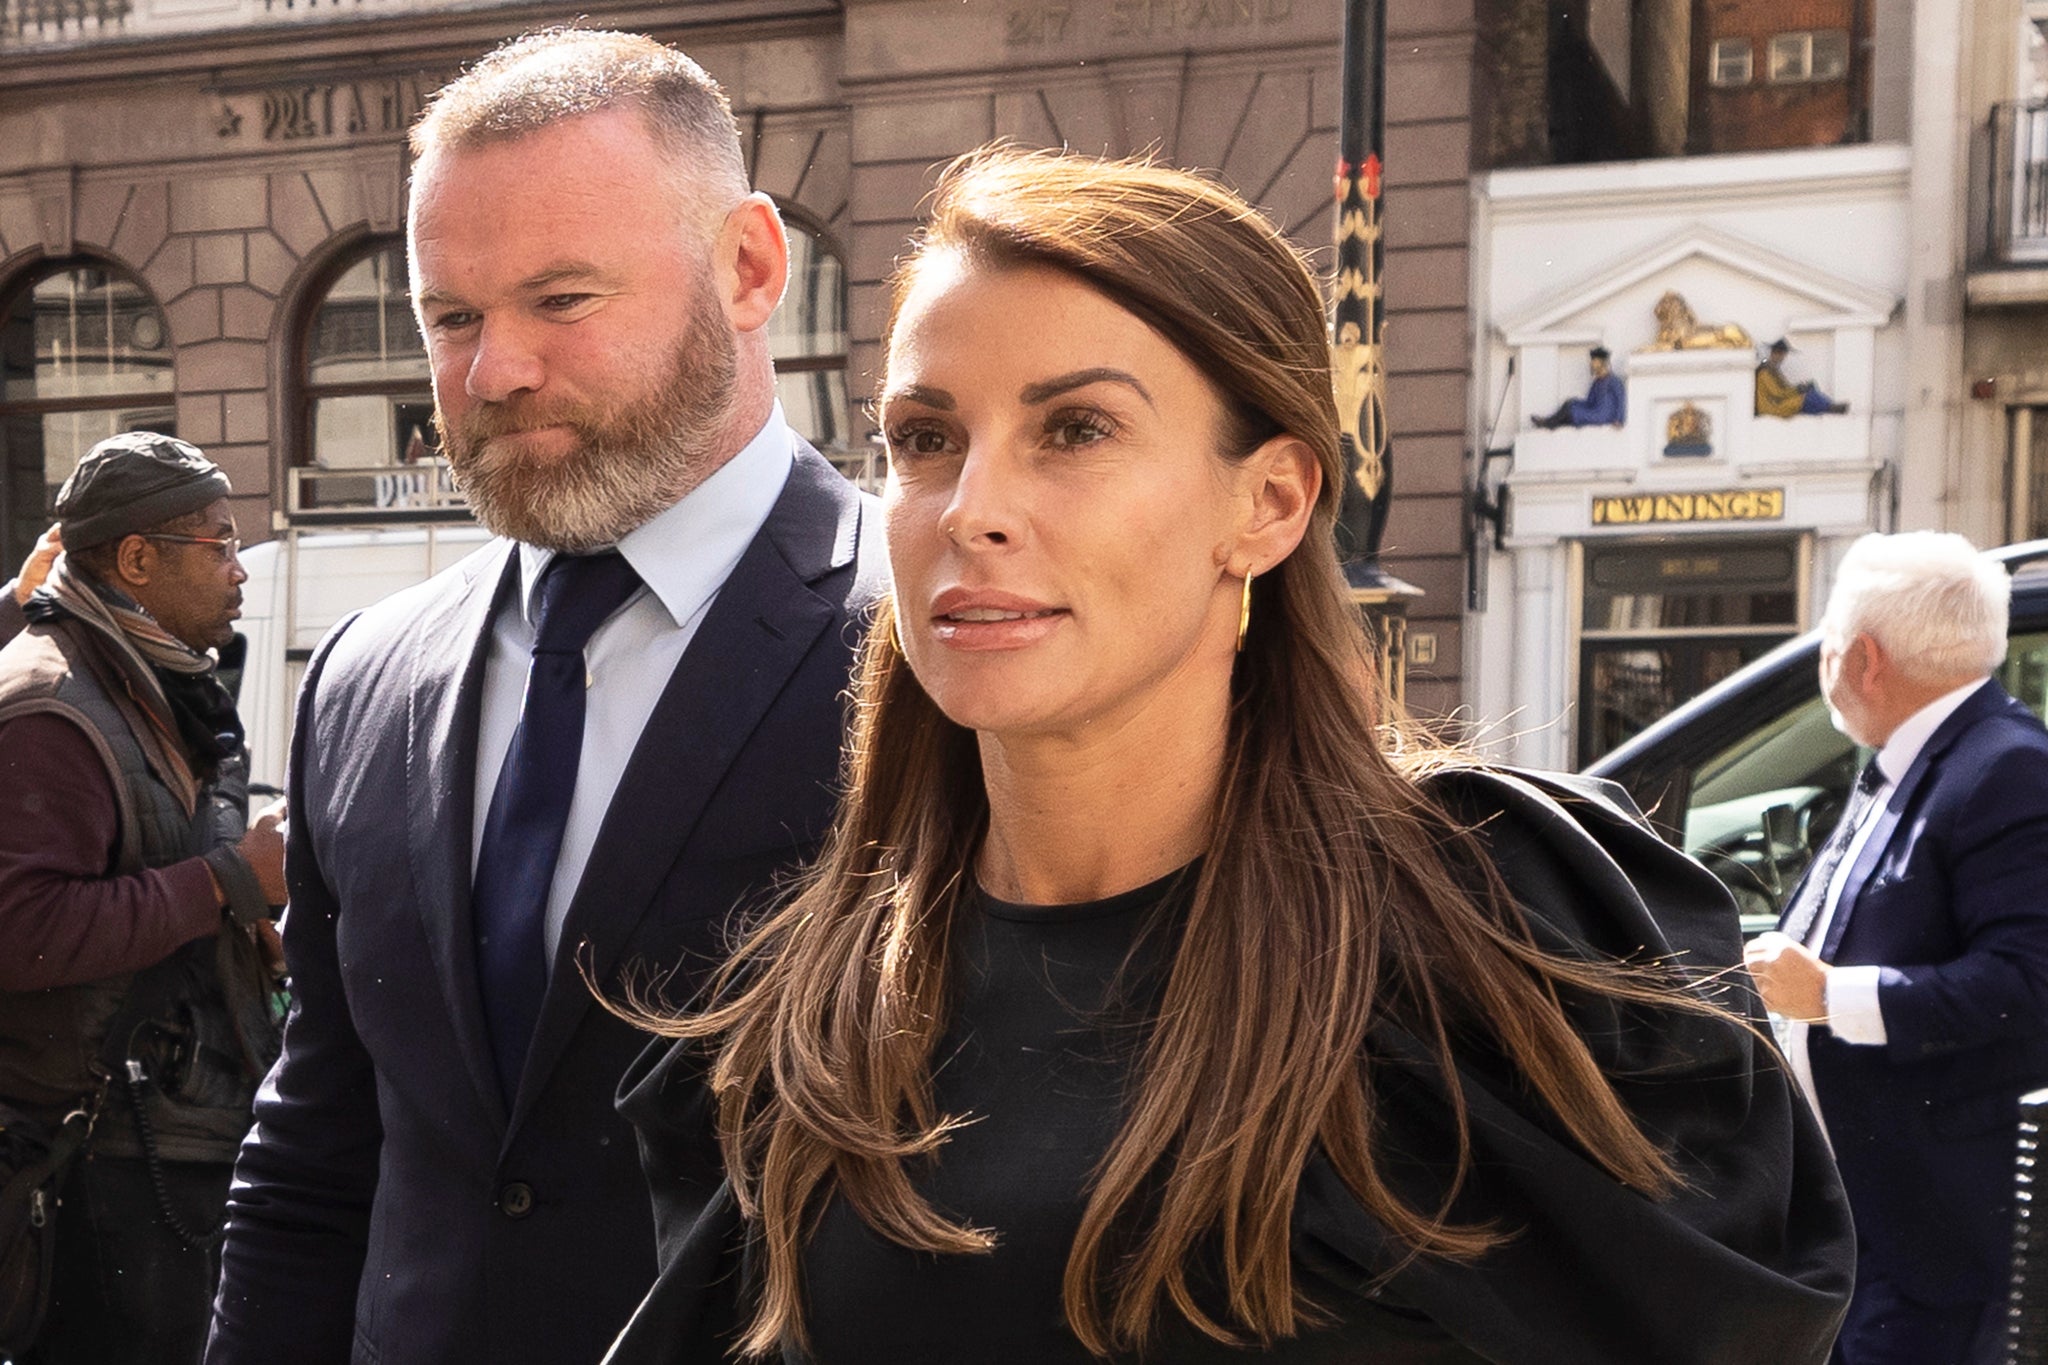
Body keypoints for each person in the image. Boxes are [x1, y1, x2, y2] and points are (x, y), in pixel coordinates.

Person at [606, 149, 1854, 1365]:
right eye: (926, 437)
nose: (971, 504)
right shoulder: (811, 1012)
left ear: (1267, 503)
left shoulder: (1496, 941)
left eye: (1076, 429)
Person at [203, 29, 884, 1365]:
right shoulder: (363, 677)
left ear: (750, 267)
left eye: (560, 301)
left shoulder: (931, 652)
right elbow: (318, 1147)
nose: (492, 372)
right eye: (451, 318)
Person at [0, 433, 286, 1365]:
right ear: (136, 559)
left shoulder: (151, 676)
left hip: (166, 1134)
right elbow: (22, 929)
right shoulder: (50, 707)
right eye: (222, 542)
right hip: (99, 1165)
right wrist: (227, 881)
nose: (242, 569)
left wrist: (241, 926)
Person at [1745, 530, 2048, 1365]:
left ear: (1863, 657)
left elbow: (2028, 987)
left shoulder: (2006, 768)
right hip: (1872, 1233)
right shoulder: (1921, 757)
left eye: (1829, 646)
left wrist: (1830, 997)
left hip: (1935, 1248)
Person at [1531, 345, 1624, 428]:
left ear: (1602, 363)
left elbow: (1620, 400)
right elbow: (1590, 401)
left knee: (1571, 411)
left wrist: (1619, 419)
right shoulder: (1597, 383)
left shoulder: (1614, 381)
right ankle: (1550, 422)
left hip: (1602, 416)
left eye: (1595, 362)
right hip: (1594, 411)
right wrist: (1573, 402)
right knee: (1570, 404)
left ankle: (1548, 423)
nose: (1592, 364)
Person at [1757, 338, 1849, 417]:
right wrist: (1798, 390)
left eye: (1783, 355)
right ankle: (1829, 407)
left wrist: (1801, 388)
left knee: (1811, 392)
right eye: (1779, 354)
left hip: (1779, 403)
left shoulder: (1775, 371)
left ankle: (1829, 406)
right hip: (1771, 408)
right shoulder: (1764, 373)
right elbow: (1778, 393)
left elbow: (1786, 389)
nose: (1782, 358)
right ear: (1773, 353)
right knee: (1807, 398)